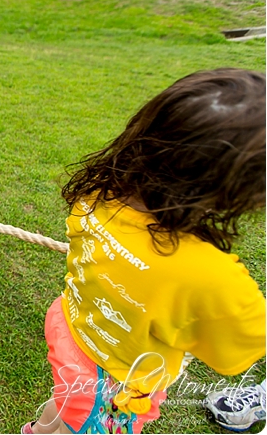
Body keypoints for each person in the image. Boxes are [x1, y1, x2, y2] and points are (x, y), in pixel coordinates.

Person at [22, 68, 266, 434]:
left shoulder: (97, 195)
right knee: (78, 415)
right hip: (112, 385)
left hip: (70, 330)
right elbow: (234, 353)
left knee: (63, 409)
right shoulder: (214, 276)